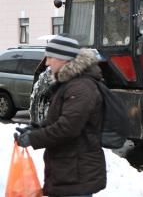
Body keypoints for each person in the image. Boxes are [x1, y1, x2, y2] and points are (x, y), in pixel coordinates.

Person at [14, 35, 106, 197]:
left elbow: (67, 128)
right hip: (68, 170)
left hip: (76, 174)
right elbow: (58, 120)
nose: (47, 62)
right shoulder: (69, 84)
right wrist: (34, 128)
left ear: (64, 59)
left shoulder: (81, 87)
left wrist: (33, 138)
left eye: (50, 57)